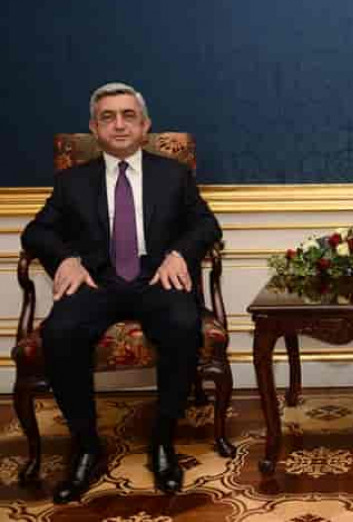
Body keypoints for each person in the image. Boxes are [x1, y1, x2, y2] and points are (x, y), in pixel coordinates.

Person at [21, 82, 221, 503]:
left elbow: (206, 225)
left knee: (183, 324)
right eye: (108, 117)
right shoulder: (72, 182)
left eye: (129, 115)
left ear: (145, 126)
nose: (119, 125)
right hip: (98, 281)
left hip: (156, 278)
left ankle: (162, 441)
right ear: (94, 129)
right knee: (60, 332)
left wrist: (179, 254)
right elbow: (36, 231)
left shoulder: (174, 175)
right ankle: (86, 446)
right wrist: (66, 260)